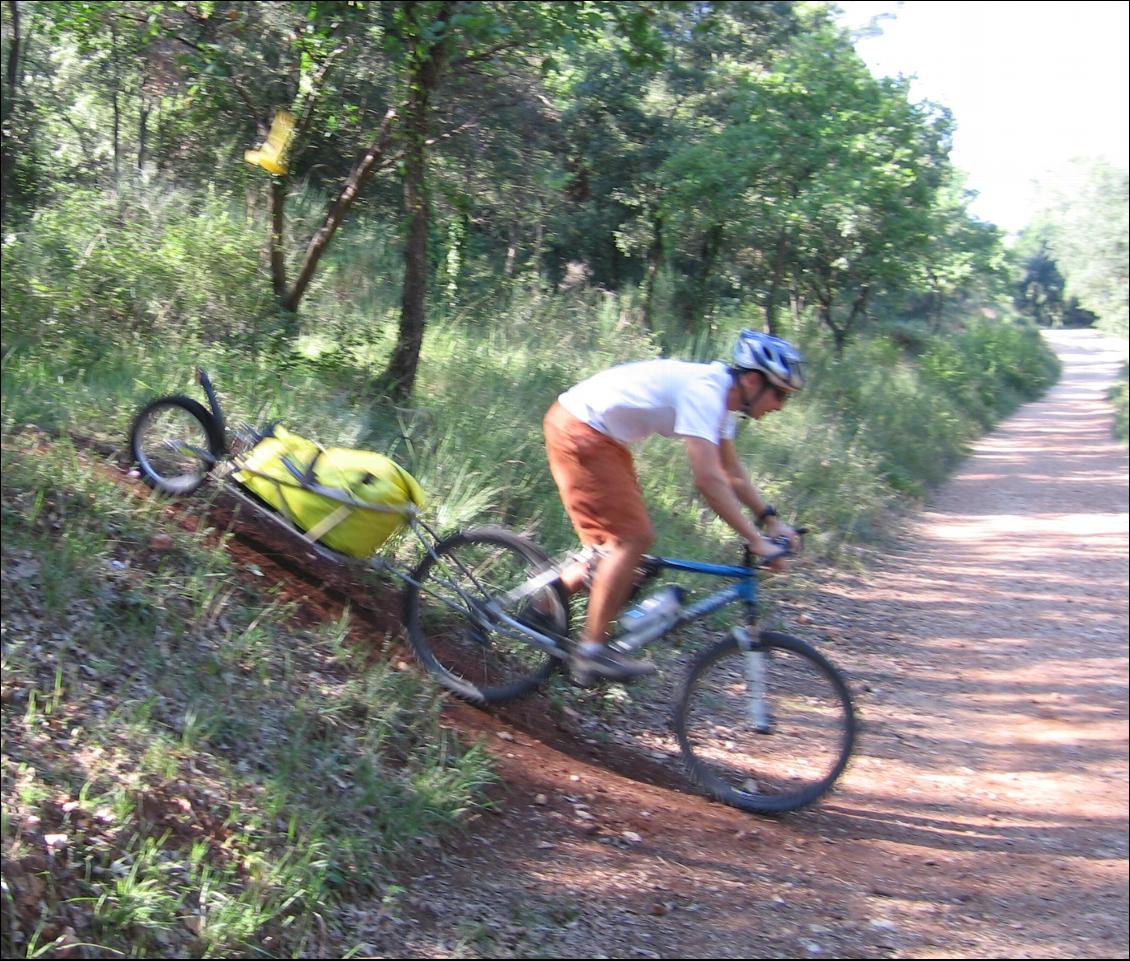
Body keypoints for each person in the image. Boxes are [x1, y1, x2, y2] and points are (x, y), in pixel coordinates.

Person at [543, 329, 804, 685]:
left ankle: (542, 607)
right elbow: (709, 480)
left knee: (621, 556)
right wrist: (755, 541)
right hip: (581, 428)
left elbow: (731, 471)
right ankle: (589, 655)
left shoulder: (724, 401)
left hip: (601, 436)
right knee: (631, 540)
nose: (780, 405)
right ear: (754, 381)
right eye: (780, 394)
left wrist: (771, 521)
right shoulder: (707, 393)